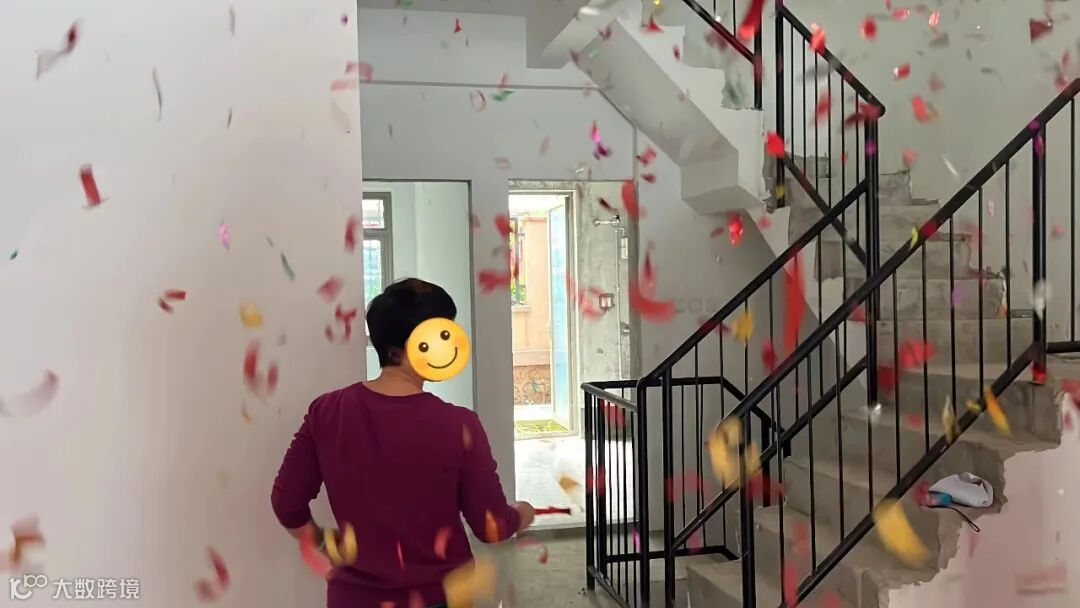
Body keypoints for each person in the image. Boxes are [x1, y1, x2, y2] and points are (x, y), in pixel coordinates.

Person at [271, 278, 534, 608]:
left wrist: (327, 546)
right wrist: (524, 513)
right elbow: (491, 526)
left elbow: (286, 504)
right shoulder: (459, 425)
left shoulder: (327, 411)